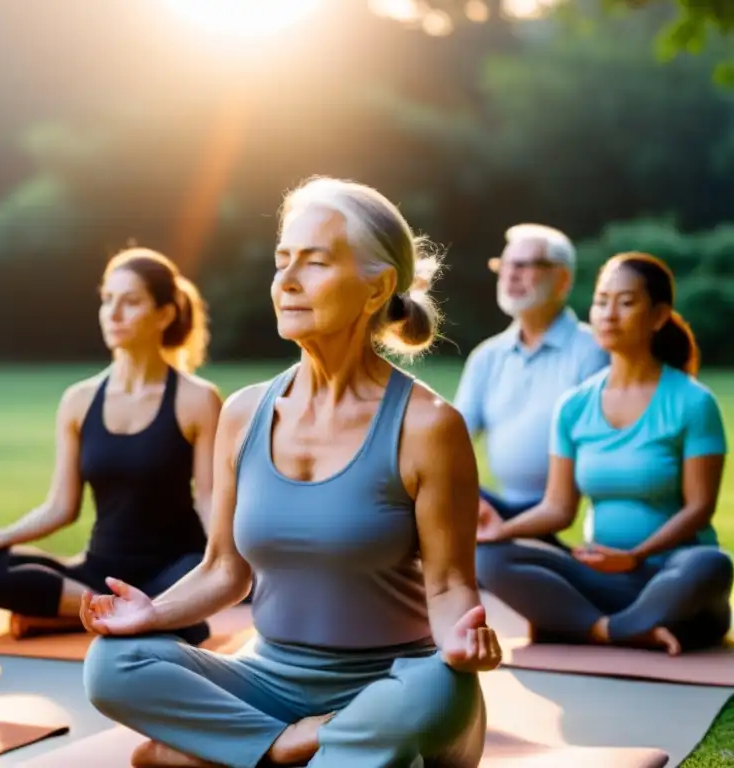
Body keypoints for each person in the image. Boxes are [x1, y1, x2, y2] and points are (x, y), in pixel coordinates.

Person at [80, 177, 501, 768]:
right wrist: (153, 614)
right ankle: (287, 748)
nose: (288, 282)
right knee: (112, 664)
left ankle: (221, 753)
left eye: (316, 263)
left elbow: (450, 584)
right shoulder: (244, 413)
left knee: (439, 692)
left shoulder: (429, 426)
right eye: (282, 263)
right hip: (269, 684)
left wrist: (460, 641)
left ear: (377, 286)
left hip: (389, 690)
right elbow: (224, 569)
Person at [477, 252, 732, 655]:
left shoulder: (692, 403)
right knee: (488, 558)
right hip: (601, 575)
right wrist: (500, 531)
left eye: (626, 302)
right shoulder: (574, 405)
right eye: (601, 301)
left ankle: (589, 625)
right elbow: (558, 509)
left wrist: (635, 556)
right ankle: (619, 628)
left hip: (671, 573)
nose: (609, 314)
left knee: (712, 564)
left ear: (659, 315)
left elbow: (699, 509)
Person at [0, 247, 222, 643]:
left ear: (164, 315)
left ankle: (98, 615)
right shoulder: (78, 401)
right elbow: (61, 507)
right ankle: (125, 612)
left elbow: (209, 499)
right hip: (100, 568)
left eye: (130, 302)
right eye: (107, 300)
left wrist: (227, 564)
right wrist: (0, 536)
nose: (113, 314)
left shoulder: (197, 399)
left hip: (175, 566)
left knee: (189, 592)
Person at [455, 224, 608, 550]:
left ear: (563, 280)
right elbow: (452, 440)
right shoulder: (487, 356)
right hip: (495, 506)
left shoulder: (594, 350)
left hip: (556, 514)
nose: (511, 274)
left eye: (525, 265)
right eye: (506, 264)